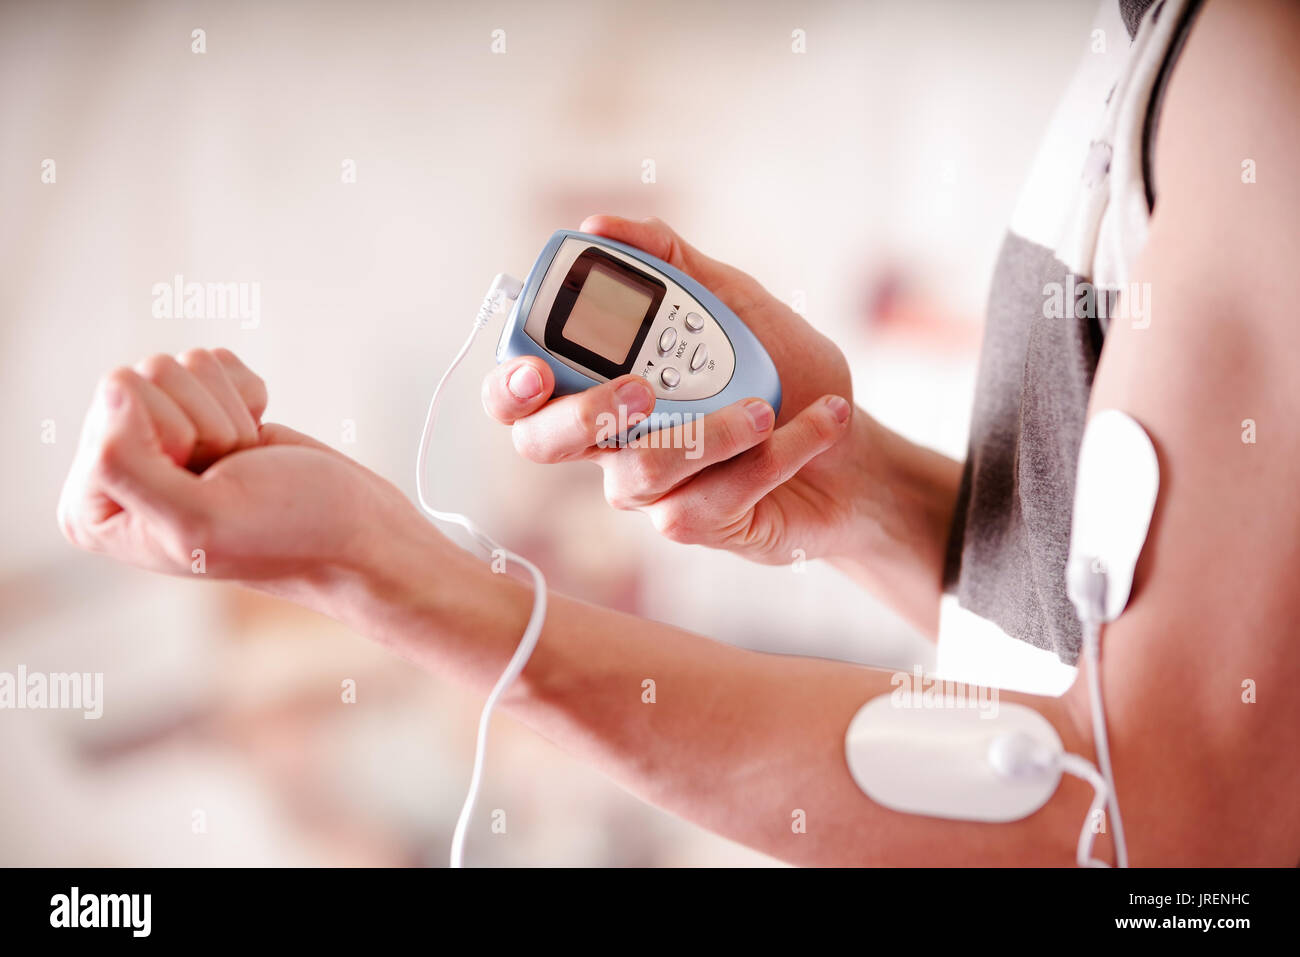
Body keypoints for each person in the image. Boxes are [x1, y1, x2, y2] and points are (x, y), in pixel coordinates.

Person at [57, 0, 1299, 865]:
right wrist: (853, 489)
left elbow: (1140, 832)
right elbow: (1116, 658)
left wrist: (389, 576)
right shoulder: (1160, 52)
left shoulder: (1257, 76)